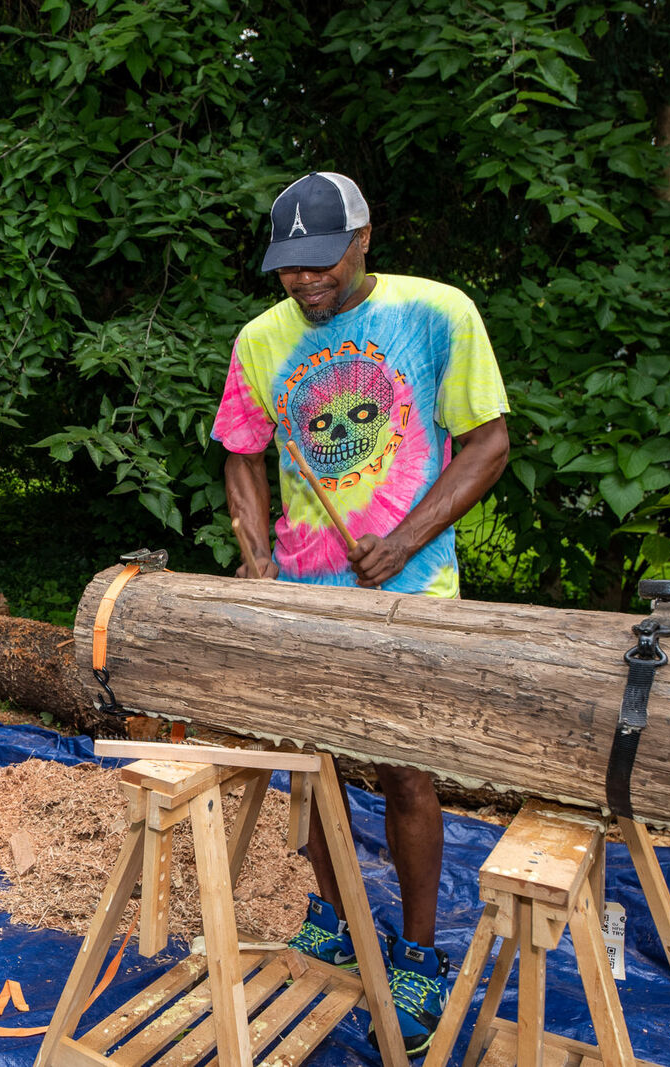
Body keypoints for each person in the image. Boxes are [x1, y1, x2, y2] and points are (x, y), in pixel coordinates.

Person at [213, 172, 510, 1057]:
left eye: (321, 262)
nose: (305, 281)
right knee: (314, 771)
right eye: (289, 267)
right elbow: (242, 453)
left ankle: (416, 954)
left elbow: (488, 443)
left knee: (406, 774)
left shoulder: (437, 313)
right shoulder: (260, 341)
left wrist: (406, 537)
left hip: (408, 594)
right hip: (306, 597)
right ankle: (336, 917)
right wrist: (257, 558)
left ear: (363, 239)